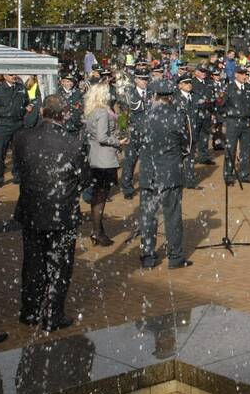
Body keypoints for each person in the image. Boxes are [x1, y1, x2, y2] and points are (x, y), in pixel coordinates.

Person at [14, 95, 87, 331]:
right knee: (60, 264)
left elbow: (18, 170)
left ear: (42, 111)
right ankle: (53, 314)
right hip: (62, 213)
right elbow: (85, 179)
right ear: (64, 114)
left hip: (33, 211)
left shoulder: (23, 138)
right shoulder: (73, 143)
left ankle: (30, 311)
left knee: (33, 262)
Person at [138, 79, 192, 269]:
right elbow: (187, 147)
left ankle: (148, 257)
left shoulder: (145, 116)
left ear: (154, 96)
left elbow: (136, 144)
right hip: (170, 172)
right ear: (171, 97)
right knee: (173, 216)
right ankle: (175, 257)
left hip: (149, 173)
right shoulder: (178, 116)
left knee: (148, 217)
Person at [83, 83, 126, 246]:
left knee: (98, 196)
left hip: (96, 157)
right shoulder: (102, 112)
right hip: (104, 160)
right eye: (108, 93)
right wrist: (118, 141)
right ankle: (97, 232)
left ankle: (98, 231)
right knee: (100, 197)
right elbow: (102, 137)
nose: (111, 95)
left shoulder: (93, 111)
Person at [0, 72, 31, 185]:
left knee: (17, 152)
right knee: (0, 153)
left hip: (18, 125)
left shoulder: (21, 87)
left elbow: (26, 101)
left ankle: (17, 175)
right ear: (5, 76)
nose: (14, 76)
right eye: (11, 74)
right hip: (2, 125)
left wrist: (25, 109)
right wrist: (1, 113)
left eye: (15, 74)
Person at [219, 63, 250, 185]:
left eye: (245, 74)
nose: (244, 76)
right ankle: (228, 176)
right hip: (233, 122)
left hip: (246, 122)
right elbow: (220, 105)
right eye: (241, 74)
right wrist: (229, 115)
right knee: (231, 149)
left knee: (246, 150)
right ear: (236, 75)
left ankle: (244, 174)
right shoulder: (228, 88)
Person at [120, 66, 151, 200]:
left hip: (148, 133)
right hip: (133, 133)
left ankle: (147, 186)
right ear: (136, 80)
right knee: (129, 162)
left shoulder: (152, 93)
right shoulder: (129, 95)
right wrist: (123, 134)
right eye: (142, 79)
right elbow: (123, 116)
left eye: (146, 79)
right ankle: (127, 188)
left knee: (147, 161)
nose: (145, 81)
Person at [174, 73, 200, 189]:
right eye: (185, 83)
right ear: (179, 85)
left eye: (190, 82)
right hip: (180, 133)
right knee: (178, 157)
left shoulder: (195, 96)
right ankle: (176, 181)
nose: (189, 85)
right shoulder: (175, 98)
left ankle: (190, 181)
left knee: (191, 158)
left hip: (193, 132)